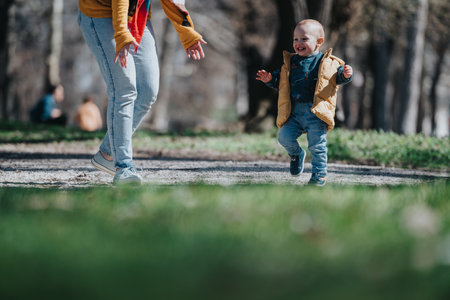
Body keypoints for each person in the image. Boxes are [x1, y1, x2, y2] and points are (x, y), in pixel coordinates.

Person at [77, 0, 207, 184]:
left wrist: (187, 31)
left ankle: (107, 154)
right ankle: (123, 167)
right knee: (124, 87)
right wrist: (121, 33)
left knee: (147, 90)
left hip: (136, 14)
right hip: (100, 12)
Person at [256, 19, 353, 186]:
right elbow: (281, 82)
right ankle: (296, 154)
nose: (298, 43)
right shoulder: (290, 62)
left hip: (316, 112)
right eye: (295, 39)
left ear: (319, 42)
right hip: (294, 113)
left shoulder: (326, 62)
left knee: (317, 147)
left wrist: (346, 74)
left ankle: (319, 175)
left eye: (304, 39)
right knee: (284, 138)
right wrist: (270, 78)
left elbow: (337, 78)